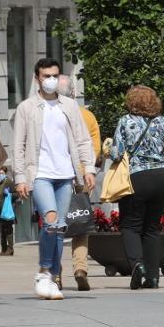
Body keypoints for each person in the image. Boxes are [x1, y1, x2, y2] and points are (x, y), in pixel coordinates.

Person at [12, 58, 95, 300]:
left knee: (59, 229)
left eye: (55, 75)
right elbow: (18, 145)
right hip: (39, 174)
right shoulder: (27, 108)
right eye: (46, 76)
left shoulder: (69, 106)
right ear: (37, 78)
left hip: (65, 175)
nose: (51, 80)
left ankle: (52, 276)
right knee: (49, 222)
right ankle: (44, 272)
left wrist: (88, 168)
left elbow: (82, 139)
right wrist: (20, 178)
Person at [110, 85, 164, 290]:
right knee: (151, 228)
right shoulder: (161, 122)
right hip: (160, 178)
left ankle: (137, 265)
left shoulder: (125, 121)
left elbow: (116, 153)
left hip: (136, 177)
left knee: (130, 225)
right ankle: (153, 277)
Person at [61, 74, 101, 291]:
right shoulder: (87, 116)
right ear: (74, 93)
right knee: (80, 223)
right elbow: (94, 147)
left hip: (56, 176)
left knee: (54, 226)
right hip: (82, 175)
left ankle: (54, 273)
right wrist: (89, 171)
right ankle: (80, 268)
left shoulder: (49, 114)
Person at [0, 165, 16, 256]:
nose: (0, 175)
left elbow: (16, 194)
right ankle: (3, 249)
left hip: (7, 211)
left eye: (2, 173)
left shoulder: (9, 182)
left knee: (8, 230)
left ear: (5, 173)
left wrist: (9, 194)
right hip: (0, 212)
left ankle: (10, 249)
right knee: (2, 230)